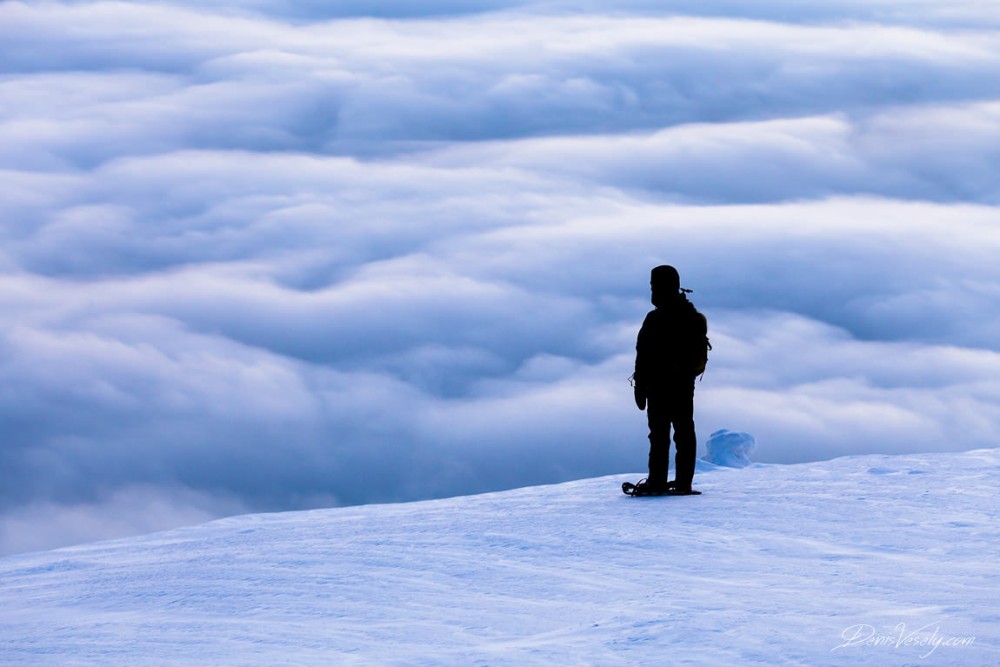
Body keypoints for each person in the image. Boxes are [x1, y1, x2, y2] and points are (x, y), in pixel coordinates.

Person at [632, 265, 708, 494]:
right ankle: (683, 482)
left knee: (660, 435)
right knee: (683, 432)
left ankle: (657, 482)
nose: (652, 292)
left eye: (654, 287)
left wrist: (640, 386)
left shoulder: (655, 319)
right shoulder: (692, 316)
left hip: (659, 386)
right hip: (683, 385)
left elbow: (643, 353)